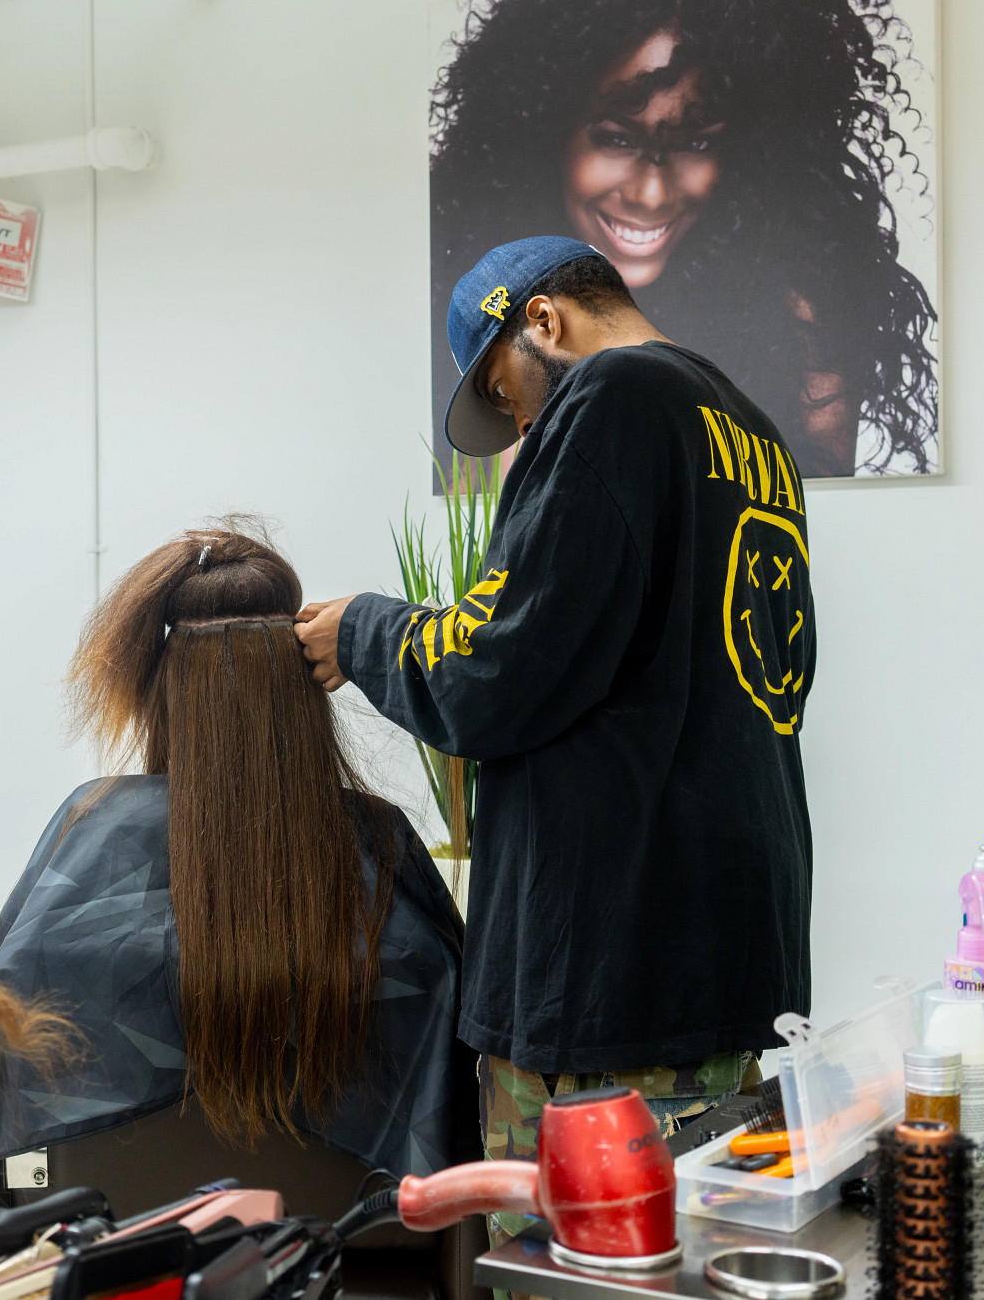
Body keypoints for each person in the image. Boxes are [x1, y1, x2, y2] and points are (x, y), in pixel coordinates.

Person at [296, 236, 815, 1241]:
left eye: (509, 392)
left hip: (608, 988)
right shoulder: (749, 431)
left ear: (542, 321)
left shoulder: (611, 398)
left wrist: (361, 628)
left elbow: (496, 667)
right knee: (689, 1261)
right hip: (721, 960)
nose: (522, 424)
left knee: (577, 1269)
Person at [0, 524, 468, 1177]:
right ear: (300, 685)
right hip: (357, 1252)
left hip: (120, 1246)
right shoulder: (380, 839)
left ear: (163, 686)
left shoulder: (92, 820)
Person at [430, 0, 937, 477]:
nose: (651, 194)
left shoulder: (802, 323)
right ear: (545, 134)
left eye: (695, 143)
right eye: (616, 139)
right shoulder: (490, 331)